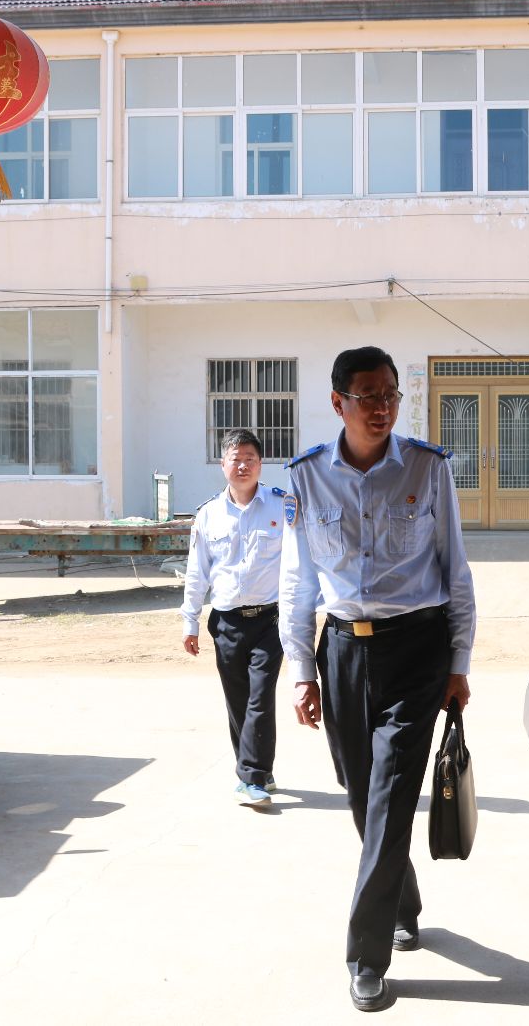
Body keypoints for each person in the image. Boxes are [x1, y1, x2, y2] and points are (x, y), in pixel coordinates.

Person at [279, 345, 476, 1014]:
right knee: (363, 796)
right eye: (368, 396)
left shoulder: (427, 466)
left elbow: (455, 570)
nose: (383, 407)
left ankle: (366, 957)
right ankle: (403, 899)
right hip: (342, 653)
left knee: (390, 795)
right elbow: (298, 583)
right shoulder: (305, 477)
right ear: (339, 402)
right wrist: (302, 672)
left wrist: (458, 663)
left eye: (391, 394)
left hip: (416, 650)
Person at [178, 429, 287, 807]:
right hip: (226, 623)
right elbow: (197, 572)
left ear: (261, 464)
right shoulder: (208, 515)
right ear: (222, 464)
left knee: (260, 697)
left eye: (250, 459)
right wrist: (190, 621)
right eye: (235, 459)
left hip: (270, 620)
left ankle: (251, 777)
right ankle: (259, 769)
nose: (243, 466)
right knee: (239, 700)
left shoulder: (281, 507)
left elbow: (297, 565)